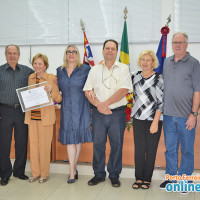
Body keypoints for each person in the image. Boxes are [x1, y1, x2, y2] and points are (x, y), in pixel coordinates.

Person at [83, 39, 133, 187]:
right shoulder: (94, 69)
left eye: (113, 48)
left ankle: (114, 175)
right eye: (107, 48)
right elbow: (87, 90)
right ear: (103, 50)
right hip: (98, 114)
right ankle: (98, 175)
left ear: (116, 51)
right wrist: (99, 106)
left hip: (117, 114)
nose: (110, 51)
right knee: (98, 144)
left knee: (116, 145)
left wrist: (104, 104)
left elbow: (124, 90)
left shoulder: (123, 68)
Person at [160, 32, 200, 190]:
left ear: (186, 44)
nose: (177, 45)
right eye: (175, 42)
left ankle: (185, 181)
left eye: (181, 42)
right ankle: (171, 178)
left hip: (186, 117)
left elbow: (198, 91)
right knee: (170, 149)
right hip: (168, 115)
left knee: (187, 150)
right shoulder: (167, 63)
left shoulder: (194, 63)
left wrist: (194, 114)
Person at [57, 44, 92, 184]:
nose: (71, 54)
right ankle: (72, 171)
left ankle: (73, 169)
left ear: (77, 54)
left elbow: (92, 84)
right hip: (66, 108)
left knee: (76, 139)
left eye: (74, 52)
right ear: (65, 54)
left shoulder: (85, 69)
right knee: (70, 140)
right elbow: (56, 87)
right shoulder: (59, 70)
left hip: (82, 107)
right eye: (68, 52)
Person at [24, 53, 62, 183]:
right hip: (32, 117)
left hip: (45, 118)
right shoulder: (30, 77)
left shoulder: (51, 78)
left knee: (44, 147)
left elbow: (58, 98)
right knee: (33, 147)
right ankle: (35, 173)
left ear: (45, 65)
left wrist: (51, 90)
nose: (37, 66)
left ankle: (44, 174)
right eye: (35, 63)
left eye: (40, 63)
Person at [0, 44, 34, 186]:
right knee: (3, 144)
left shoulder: (27, 71)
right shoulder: (0, 71)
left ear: (19, 55)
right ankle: (4, 173)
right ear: (6, 55)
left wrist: (52, 81)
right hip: (4, 111)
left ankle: (19, 172)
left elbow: (40, 77)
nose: (12, 55)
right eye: (9, 53)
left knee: (21, 142)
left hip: (21, 111)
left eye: (15, 53)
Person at [131, 50, 163, 189]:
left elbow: (161, 102)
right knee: (139, 150)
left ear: (153, 62)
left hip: (153, 119)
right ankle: (138, 178)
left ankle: (147, 179)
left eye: (148, 60)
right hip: (138, 119)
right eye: (143, 59)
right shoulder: (134, 76)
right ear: (140, 61)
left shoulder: (159, 78)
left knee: (150, 150)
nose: (145, 62)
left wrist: (155, 121)